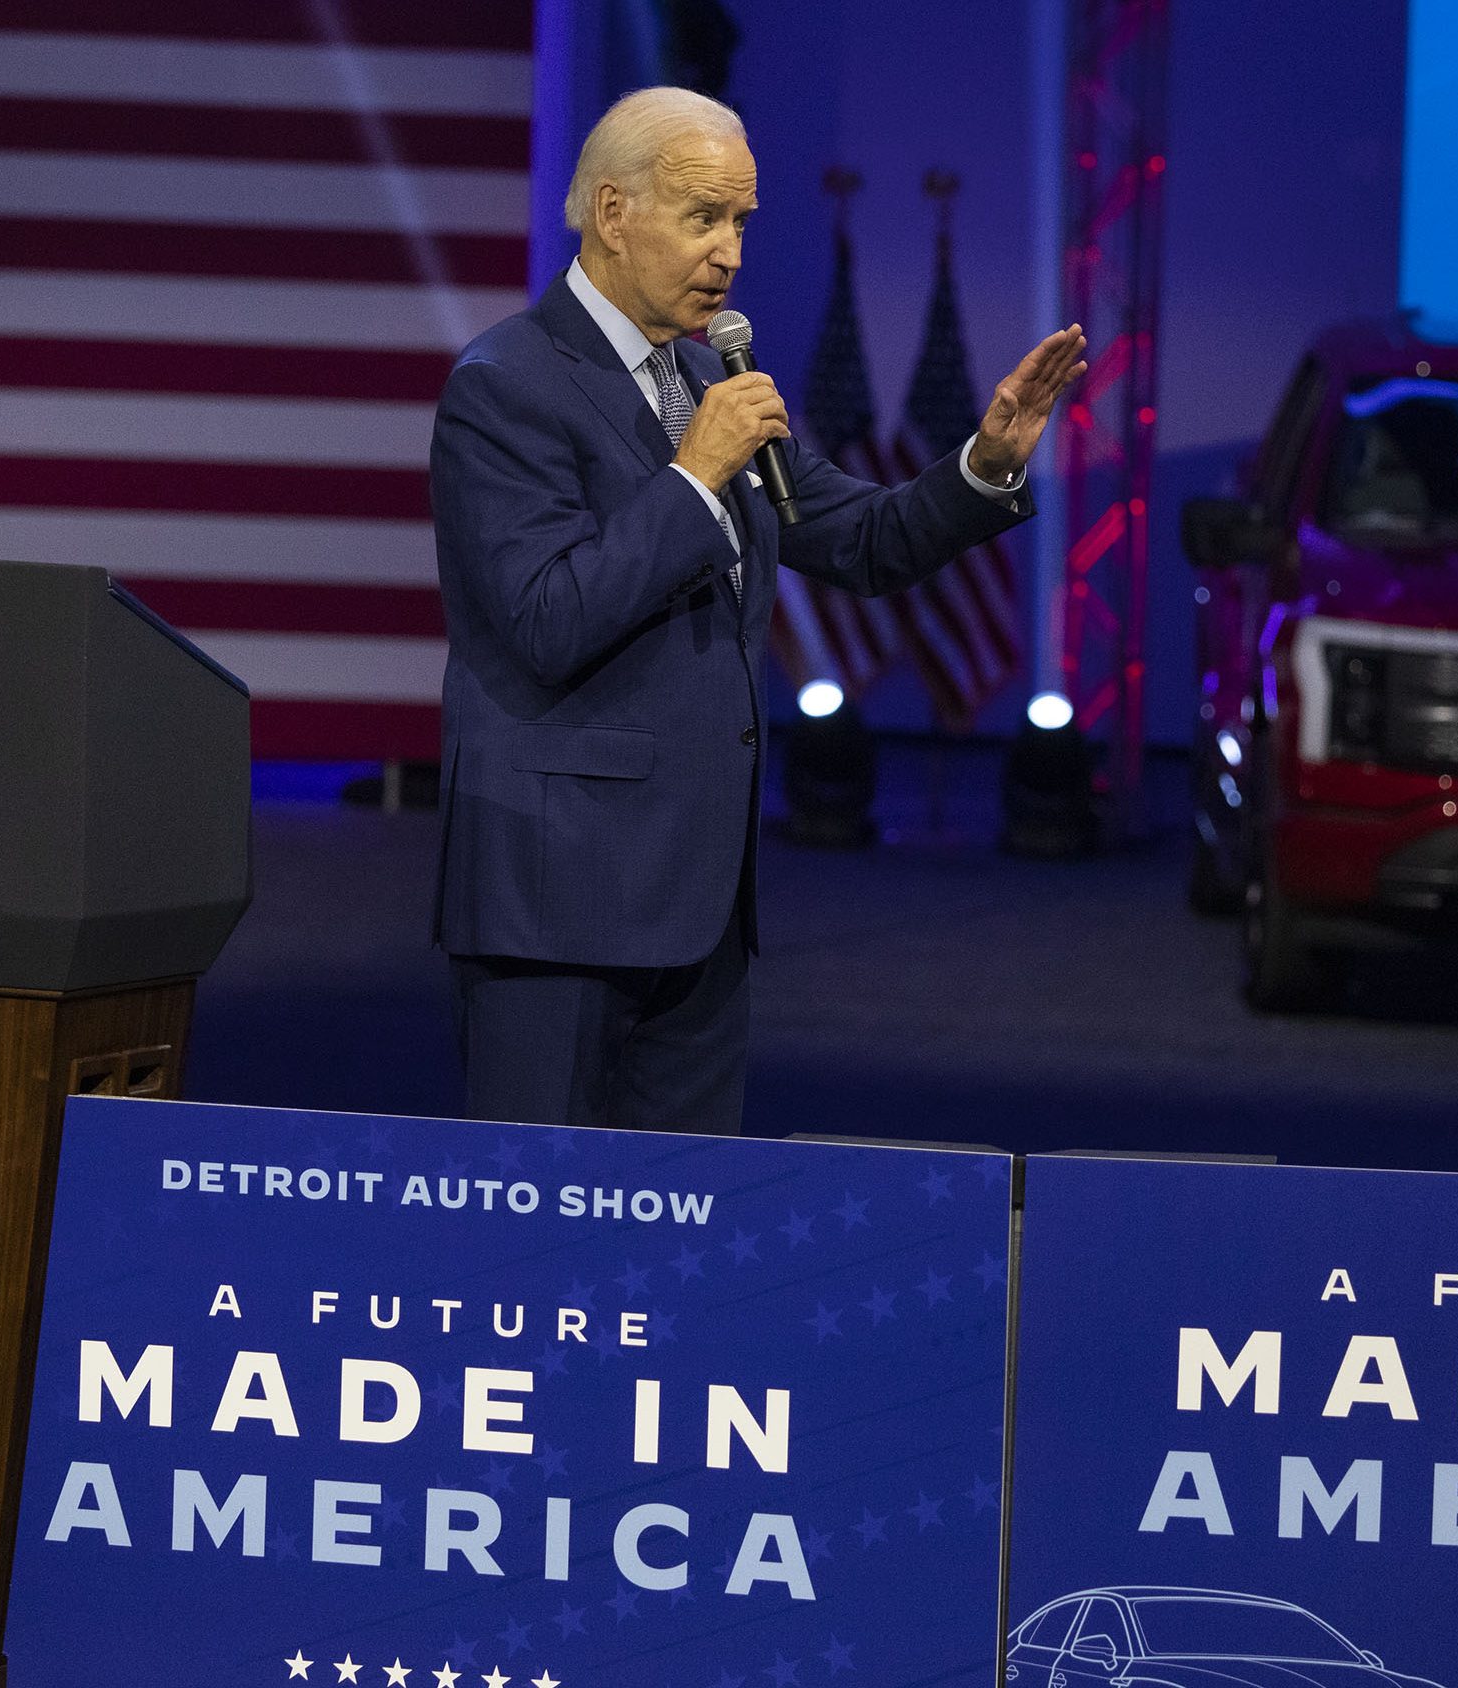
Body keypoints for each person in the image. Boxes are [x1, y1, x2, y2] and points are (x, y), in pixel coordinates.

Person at [428, 87, 1085, 1134]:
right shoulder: (504, 386)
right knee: (539, 1237)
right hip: (555, 904)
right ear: (611, 211)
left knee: (687, 1237)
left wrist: (986, 462)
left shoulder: (710, 379)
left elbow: (868, 543)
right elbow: (548, 616)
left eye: (741, 220)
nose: (729, 251)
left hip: (701, 912)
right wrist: (692, 481)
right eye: (703, 217)